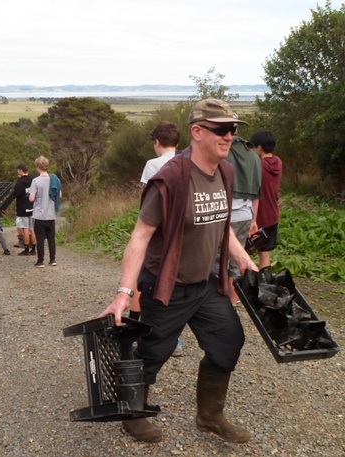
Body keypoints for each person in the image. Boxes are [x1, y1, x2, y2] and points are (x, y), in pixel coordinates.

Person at [98, 98, 258, 444]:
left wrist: (242, 257)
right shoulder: (170, 179)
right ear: (197, 132)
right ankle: (132, 413)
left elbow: (222, 224)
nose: (229, 136)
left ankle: (209, 416)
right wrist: (124, 294)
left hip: (206, 285)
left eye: (232, 129)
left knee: (229, 341)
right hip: (168, 287)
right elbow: (140, 237)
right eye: (221, 129)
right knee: (153, 352)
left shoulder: (226, 172)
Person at [136, 121, 184, 357]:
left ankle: (144, 335)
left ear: (156, 142)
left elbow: (145, 198)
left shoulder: (152, 164)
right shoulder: (186, 161)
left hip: (157, 231)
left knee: (148, 282)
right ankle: (175, 340)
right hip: (182, 231)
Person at [217, 136, 262, 304]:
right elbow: (257, 193)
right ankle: (233, 304)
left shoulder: (222, 153)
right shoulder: (253, 156)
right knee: (237, 263)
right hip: (245, 216)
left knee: (217, 262)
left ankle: (218, 303)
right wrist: (254, 219)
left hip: (224, 216)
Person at [250, 130, 283, 271]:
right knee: (264, 252)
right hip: (273, 214)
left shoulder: (258, 165)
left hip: (258, 216)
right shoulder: (278, 162)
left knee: (244, 253)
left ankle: (249, 281)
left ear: (259, 147)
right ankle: (265, 281)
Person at [28, 156, 60, 267]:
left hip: (39, 214)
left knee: (40, 239)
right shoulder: (54, 180)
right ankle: (53, 259)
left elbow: (31, 198)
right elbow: (59, 195)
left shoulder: (35, 181)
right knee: (51, 238)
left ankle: (40, 260)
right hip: (51, 214)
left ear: (37, 166)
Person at [140, 121, 180, 187]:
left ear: (157, 142)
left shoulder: (152, 164)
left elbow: (149, 192)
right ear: (177, 145)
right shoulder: (189, 161)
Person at [13, 162, 37, 256]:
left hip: (23, 208)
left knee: (25, 229)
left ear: (21, 171)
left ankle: (26, 248)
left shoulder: (20, 182)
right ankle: (34, 249)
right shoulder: (33, 180)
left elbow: (15, 194)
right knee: (32, 228)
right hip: (32, 207)